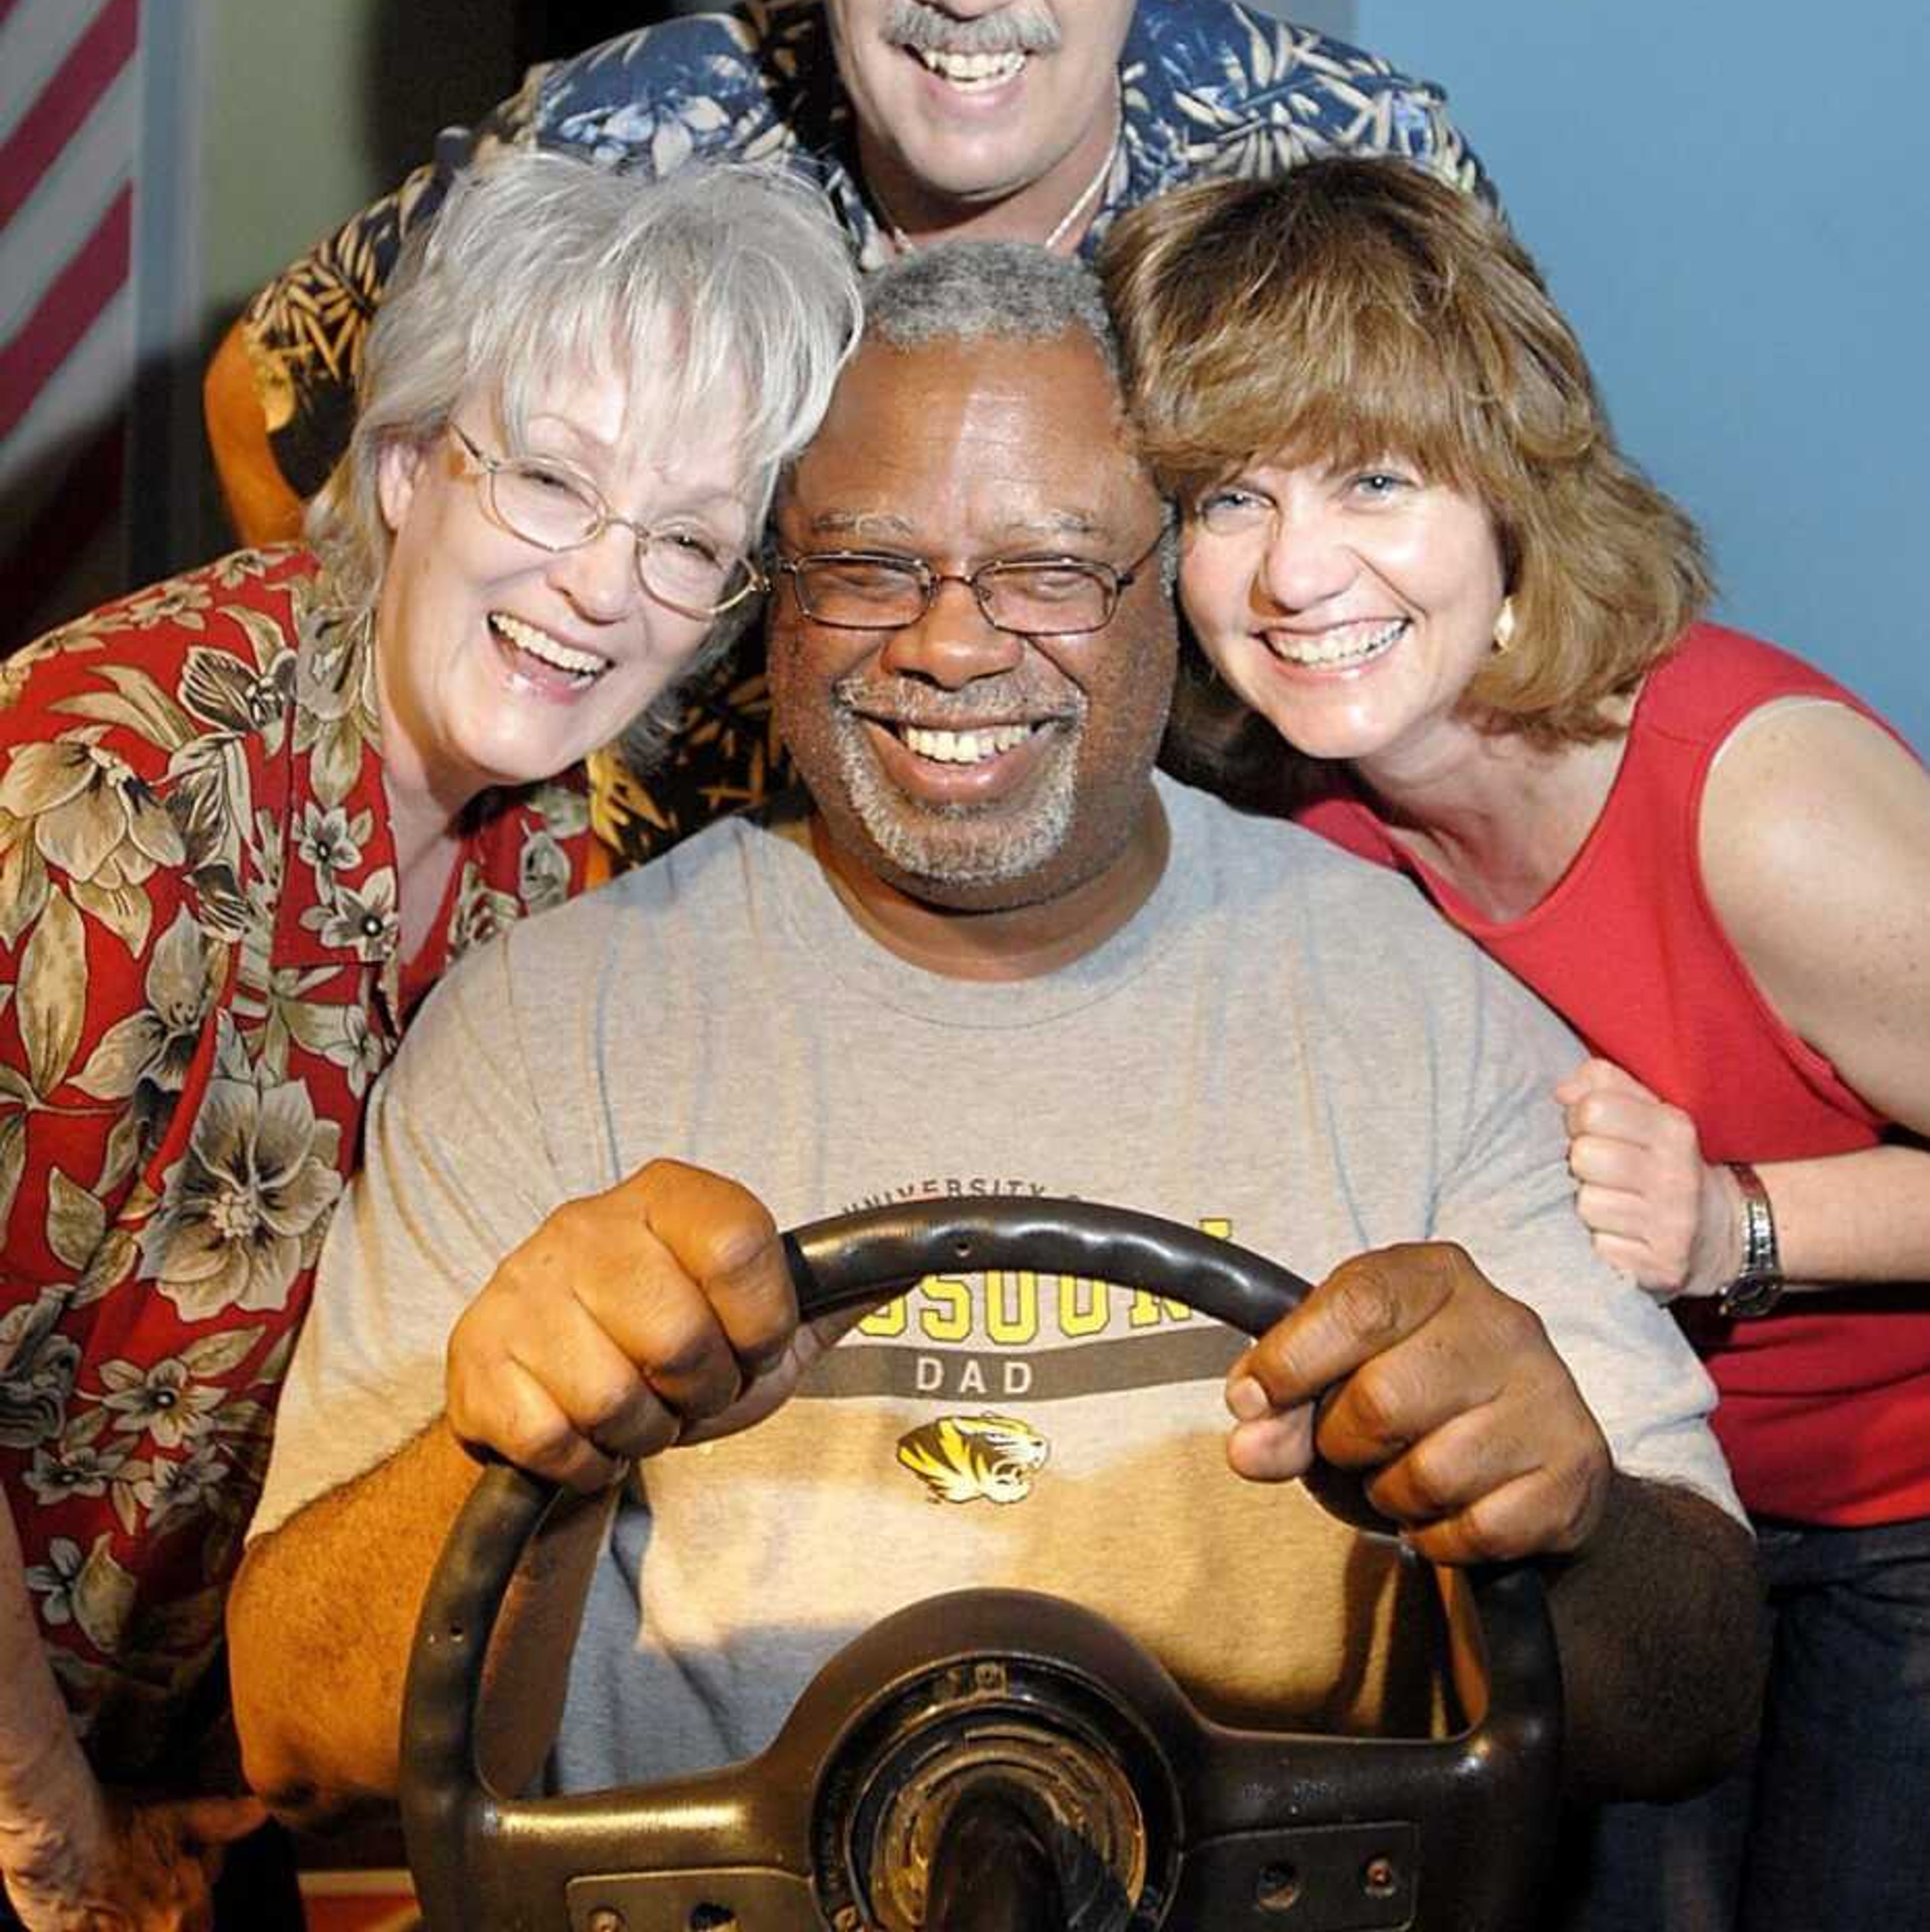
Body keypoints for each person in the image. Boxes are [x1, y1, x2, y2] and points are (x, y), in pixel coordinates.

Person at [226, 240, 1759, 1849]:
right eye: (870, 569)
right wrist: (507, 1463)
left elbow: (1695, 1707)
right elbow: (298, 1737)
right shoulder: (550, 1031)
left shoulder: (1416, 1012)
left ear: (1170, 583)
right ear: (778, 603)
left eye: (1049, 571)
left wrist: (1565, 1524)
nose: (953, 648)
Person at [203, 0, 1492, 870]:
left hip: (1195, 957)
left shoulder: (1344, 160)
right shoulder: (629, 142)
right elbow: (267, 394)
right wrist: (449, 795)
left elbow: (1526, 592)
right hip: (702, 965)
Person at [0, 152, 860, 1931]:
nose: (602, 588)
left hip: (190, 1801)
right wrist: (52, 1832)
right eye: (551, 479)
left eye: (688, 539)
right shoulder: (109, 797)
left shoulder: (559, 859)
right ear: (403, 467)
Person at [1101, 156, 1930, 1932]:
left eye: (1375, 479)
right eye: (1230, 497)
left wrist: (1740, 1228)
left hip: (1902, 1518)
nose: (1297, 568)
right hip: (1642, 1527)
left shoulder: (1752, 799)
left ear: (1512, 499)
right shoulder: (1303, 829)